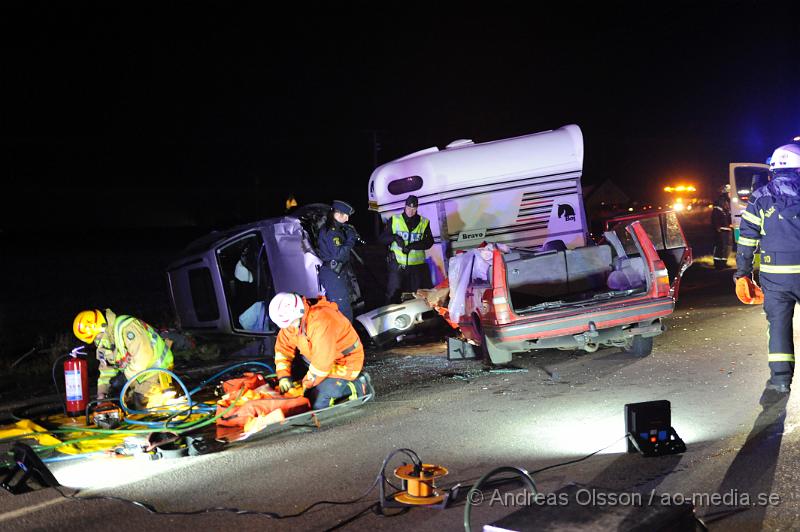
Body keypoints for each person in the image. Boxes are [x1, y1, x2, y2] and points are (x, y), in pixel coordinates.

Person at [735, 143, 800, 394]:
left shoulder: (760, 197)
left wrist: (743, 273)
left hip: (776, 277)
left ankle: (781, 379)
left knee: (779, 326)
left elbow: (747, 239)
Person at [268, 292, 370, 410]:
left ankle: (359, 385)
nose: (289, 327)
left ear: (299, 313)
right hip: (316, 358)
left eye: (290, 323)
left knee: (317, 403)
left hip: (345, 361)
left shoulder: (321, 320)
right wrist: (283, 376)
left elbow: (322, 364)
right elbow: (283, 350)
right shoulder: (292, 323)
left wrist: (304, 386)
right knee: (292, 385)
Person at [73, 309, 175, 409]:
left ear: (102, 326)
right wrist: (102, 393)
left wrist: (124, 379)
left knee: (140, 403)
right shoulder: (104, 341)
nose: (97, 341)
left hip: (158, 368)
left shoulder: (126, 326)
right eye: (94, 339)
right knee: (123, 404)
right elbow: (106, 370)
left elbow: (142, 357)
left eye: (97, 337)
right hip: (139, 375)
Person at [379, 194, 434, 303]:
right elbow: (382, 239)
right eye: (409, 208)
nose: (411, 211)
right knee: (393, 294)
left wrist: (412, 246)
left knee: (415, 295)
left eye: (414, 208)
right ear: (405, 206)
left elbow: (429, 242)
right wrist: (394, 237)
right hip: (397, 265)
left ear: (417, 208)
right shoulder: (395, 220)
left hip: (416, 267)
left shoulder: (424, 222)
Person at [316, 200, 359, 321]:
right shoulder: (332, 231)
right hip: (333, 274)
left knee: (341, 309)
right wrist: (351, 239)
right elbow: (338, 254)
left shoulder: (337, 229)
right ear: (337, 214)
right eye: (345, 216)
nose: (347, 219)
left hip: (336, 273)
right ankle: (345, 338)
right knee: (343, 312)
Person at [711, 187, 733, 269]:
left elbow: (729, 215)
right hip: (722, 228)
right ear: (726, 193)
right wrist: (717, 226)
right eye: (730, 192)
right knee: (721, 246)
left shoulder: (728, 202)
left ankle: (723, 262)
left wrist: (731, 224)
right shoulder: (720, 202)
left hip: (727, 228)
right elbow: (715, 215)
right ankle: (718, 263)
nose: (731, 194)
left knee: (727, 246)